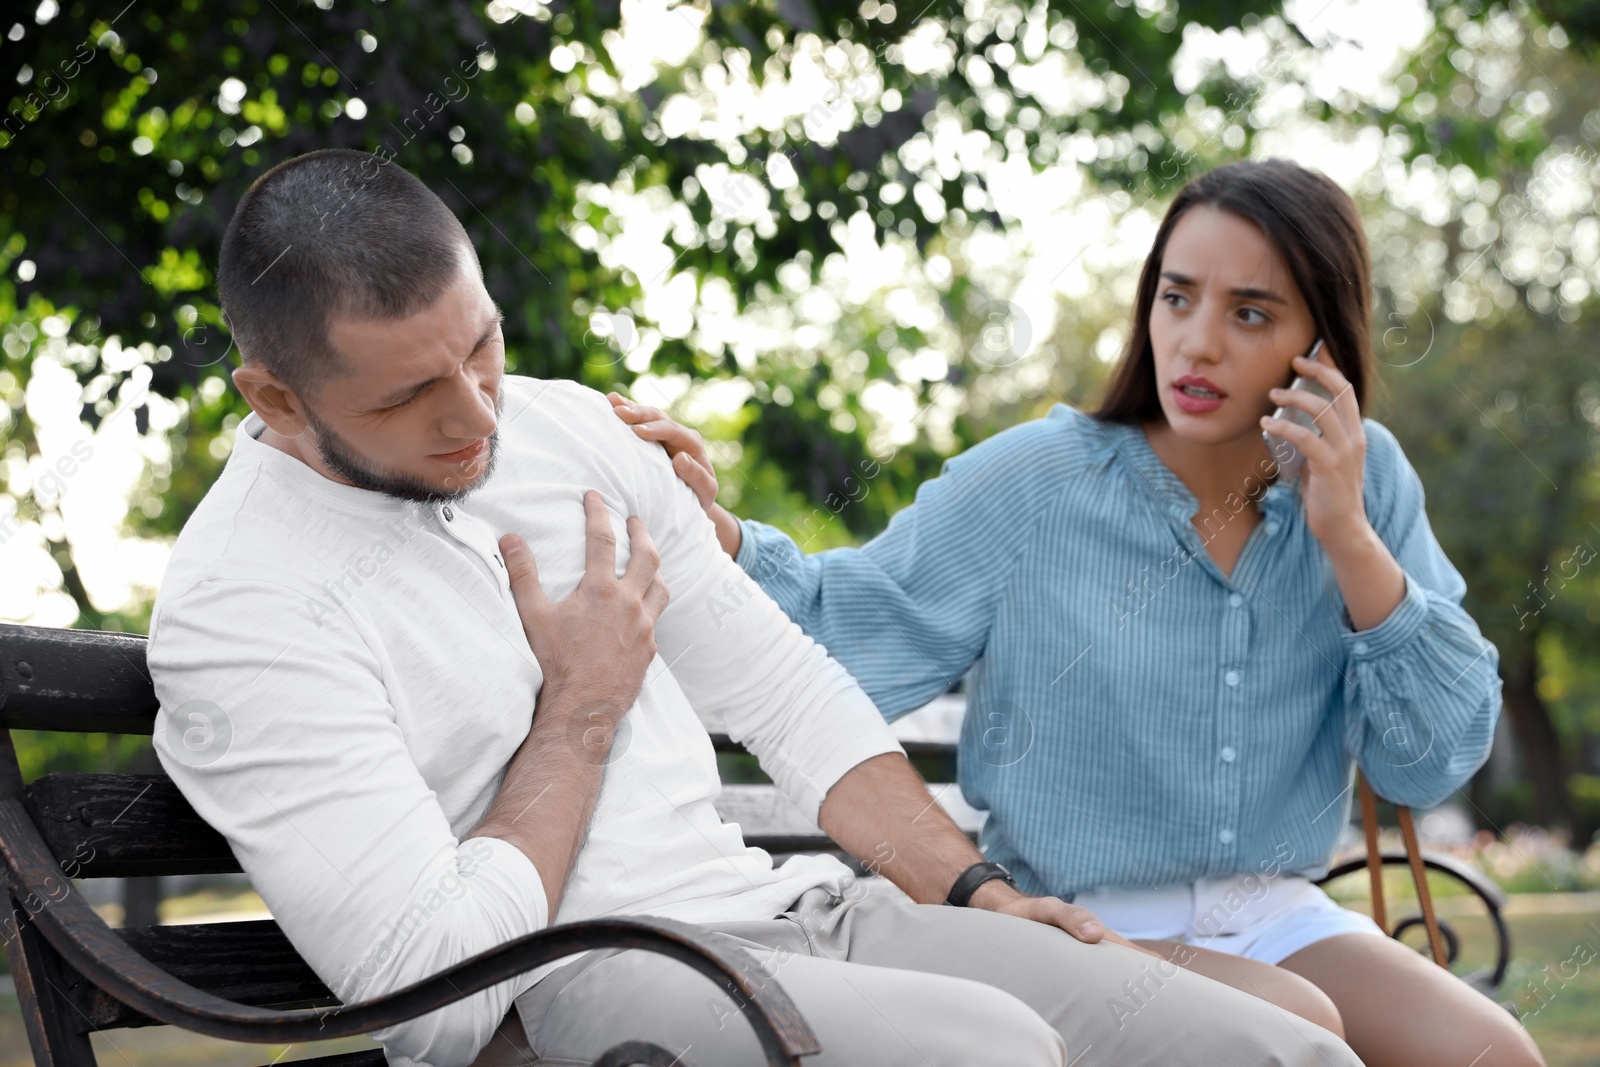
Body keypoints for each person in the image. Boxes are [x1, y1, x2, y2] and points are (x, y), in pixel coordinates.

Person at [146, 149, 1361, 1067]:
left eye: (483, 350)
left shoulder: (566, 426)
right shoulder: (244, 607)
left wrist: (973, 887)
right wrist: (579, 707)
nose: (476, 416)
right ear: (280, 397)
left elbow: (778, 685)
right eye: (412, 396)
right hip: (588, 974)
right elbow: (433, 990)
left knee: (1277, 1051)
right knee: (992, 1051)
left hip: (794, 912)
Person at [614, 158, 1545, 1067]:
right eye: (1176, 298)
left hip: (1273, 908)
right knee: (1296, 1026)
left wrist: (1347, 535)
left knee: (1493, 1051)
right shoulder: (1040, 480)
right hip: (1074, 919)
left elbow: (1428, 760)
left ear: (1324, 347)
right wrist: (720, 535)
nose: (1198, 341)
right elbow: (849, 630)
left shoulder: (1366, 476)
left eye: (1249, 312)